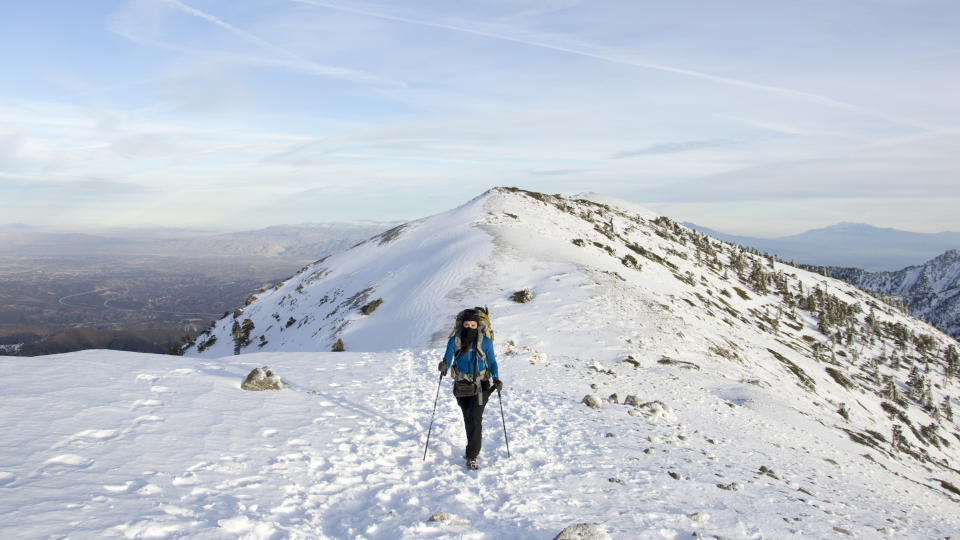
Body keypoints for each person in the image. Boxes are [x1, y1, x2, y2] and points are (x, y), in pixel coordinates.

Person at [438, 309, 502, 469]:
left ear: (478, 325)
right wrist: (444, 364)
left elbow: (492, 362)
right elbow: (448, 355)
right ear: (461, 325)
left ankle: (472, 455)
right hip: (462, 385)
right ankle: (471, 448)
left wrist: (496, 377)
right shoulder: (455, 340)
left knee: (475, 418)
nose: (469, 327)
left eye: (473, 324)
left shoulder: (485, 342)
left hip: (482, 385)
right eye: (466, 324)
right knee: (468, 417)